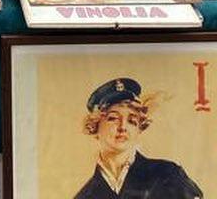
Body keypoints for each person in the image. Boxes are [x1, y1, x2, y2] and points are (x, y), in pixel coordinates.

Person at [73, 78, 202, 198]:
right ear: (95, 126)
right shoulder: (85, 196)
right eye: (113, 118)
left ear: (139, 128)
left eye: (132, 121)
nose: (123, 127)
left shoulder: (168, 175)